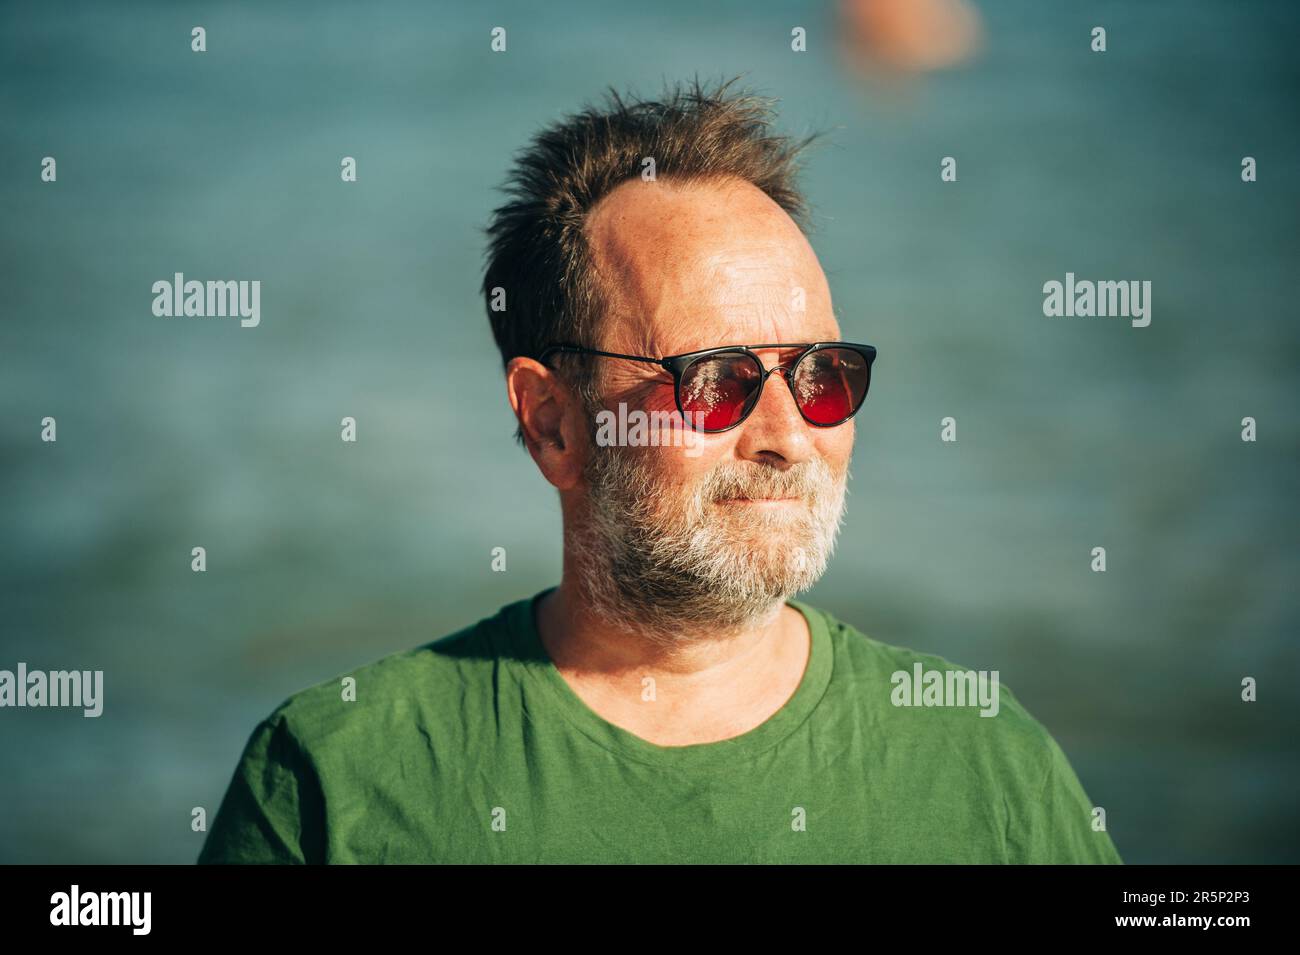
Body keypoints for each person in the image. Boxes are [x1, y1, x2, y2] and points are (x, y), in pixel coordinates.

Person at [198, 77, 1122, 864]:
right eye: (715, 382)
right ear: (553, 423)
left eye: (822, 375)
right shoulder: (335, 780)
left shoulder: (990, 768)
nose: (787, 434)